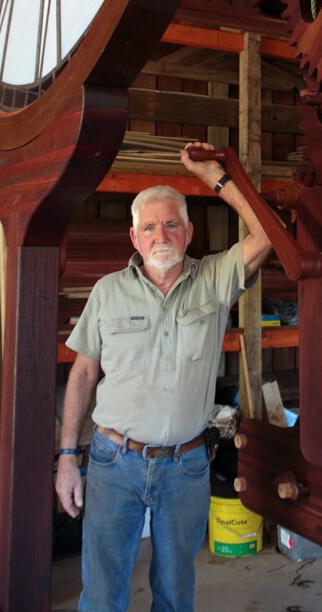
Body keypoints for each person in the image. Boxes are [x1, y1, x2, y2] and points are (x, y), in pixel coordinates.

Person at [55, 142, 273, 612]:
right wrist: (67, 457)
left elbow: (267, 235)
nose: (161, 235)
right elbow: (83, 373)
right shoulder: (107, 291)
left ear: (189, 233)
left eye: (171, 224)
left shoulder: (214, 279)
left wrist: (216, 179)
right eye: (149, 227)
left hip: (186, 465)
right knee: (102, 593)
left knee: (175, 593)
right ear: (134, 237)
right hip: (114, 462)